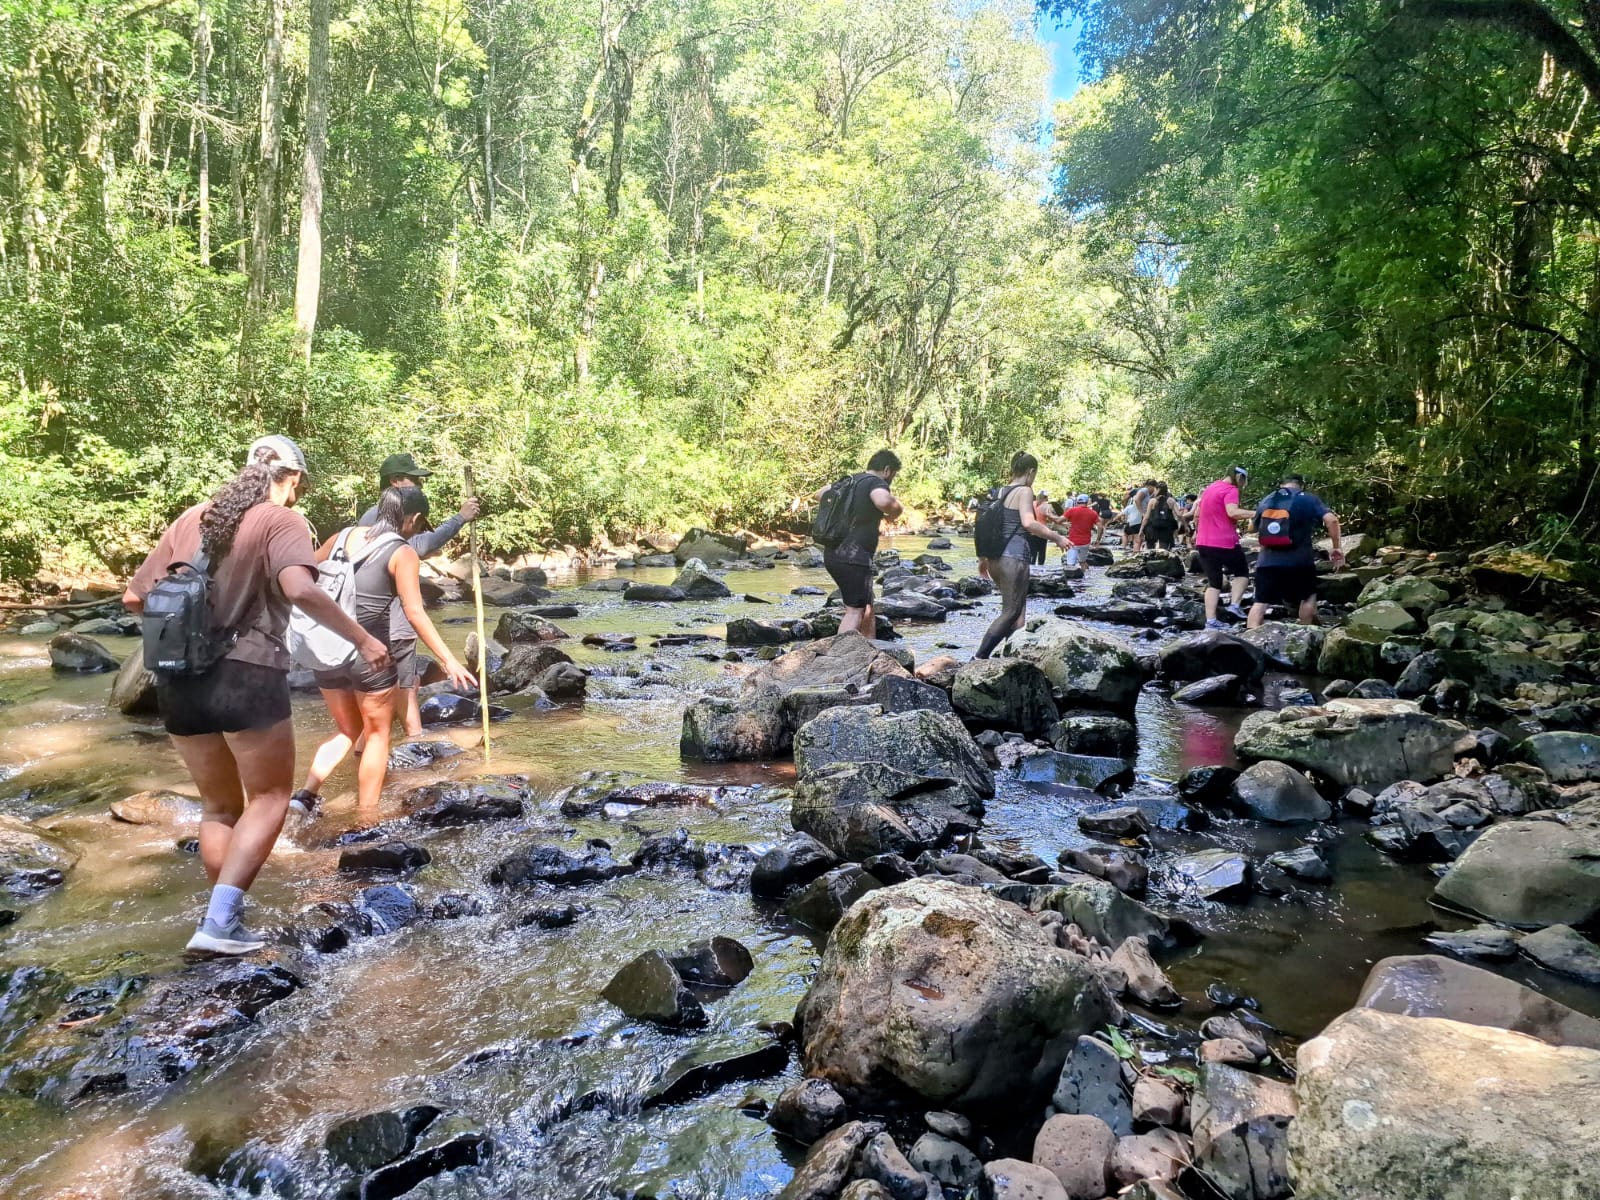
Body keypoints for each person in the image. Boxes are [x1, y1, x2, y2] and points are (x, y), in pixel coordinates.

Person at [124, 436, 390, 956]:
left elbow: (135, 597)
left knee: (219, 807)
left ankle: (222, 919)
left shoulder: (191, 518)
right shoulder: (280, 520)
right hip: (246, 673)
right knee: (269, 798)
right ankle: (219, 923)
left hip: (177, 680)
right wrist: (362, 639)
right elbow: (300, 588)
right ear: (294, 479)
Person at [292, 487, 478, 817]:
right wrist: (448, 660)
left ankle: (304, 796)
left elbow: (302, 577)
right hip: (370, 654)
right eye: (421, 526)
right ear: (414, 519)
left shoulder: (341, 537)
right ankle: (367, 817)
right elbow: (414, 612)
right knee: (377, 735)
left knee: (348, 730)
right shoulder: (401, 552)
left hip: (328, 649)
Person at [356, 453, 481, 739]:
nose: (419, 485)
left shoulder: (372, 516)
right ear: (395, 481)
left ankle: (401, 743)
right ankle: (415, 742)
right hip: (392, 622)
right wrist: (460, 518)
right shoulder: (381, 516)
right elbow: (421, 546)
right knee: (403, 688)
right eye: (414, 480)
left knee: (389, 696)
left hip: (373, 622)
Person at [975, 453, 1071, 659]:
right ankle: (978, 658)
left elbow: (987, 524)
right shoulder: (1025, 490)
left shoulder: (1000, 491)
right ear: (1031, 471)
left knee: (1018, 614)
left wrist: (982, 559)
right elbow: (1028, 523)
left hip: (995, 558)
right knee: (1011, 611)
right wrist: (1057, 537)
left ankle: (1012, 657)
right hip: (1014, 557)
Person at [812, 449, 904, 636]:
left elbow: (819, 494)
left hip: (833, 553)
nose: (891, 479)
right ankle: (842, 652)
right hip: (854, 557)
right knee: (854, 611)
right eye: (893, 475)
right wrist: (897, 510)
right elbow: (883, 501)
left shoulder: (848, 481)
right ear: (887, 470)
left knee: (866, 605)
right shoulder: (875, 482)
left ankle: (868, 645)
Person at [1247, 474, 1345, 628]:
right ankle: (1304, 635)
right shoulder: (1308, 499)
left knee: (1260, 603)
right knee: (1307, 598)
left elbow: (1252, 528)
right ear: (1301, 485)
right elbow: (1331, 520)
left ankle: (1250, 639)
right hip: (1300, 562)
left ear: (1282, 485)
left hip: (1267, 562)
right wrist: (1336, 547)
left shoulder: (1268, 499)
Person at [1194, 466, 1255, 629]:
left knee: (1214, 582)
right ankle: (1234, 606)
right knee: (1242, 573)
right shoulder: (1231, 490)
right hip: (1224, 542)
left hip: (1203, 542)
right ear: (1239, 477)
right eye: (1243, 480)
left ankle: (1211, 621)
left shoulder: (1210, 488)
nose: (1243, 484)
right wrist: (1256, 513)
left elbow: (1197, 514)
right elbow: (1232, 512)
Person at [1061, 494, 1102, 568]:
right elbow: (1100, 527)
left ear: (1077, 501)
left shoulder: (1071, 510)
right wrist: (1098, 539)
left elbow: (1058, 520)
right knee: (1082, 562)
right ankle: (1087, 574)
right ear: (1087, 502)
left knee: (1070, 565)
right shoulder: (1093, 513)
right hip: (1085, 542)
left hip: (1073, 542)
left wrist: (1063, 524)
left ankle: (1073, 575)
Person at [1141, 482, 1183, 550]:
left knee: (1150, 548)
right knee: (1163, 549)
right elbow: (1179, 515)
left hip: (1153, 527)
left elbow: (1146, 517)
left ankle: (1151, 555)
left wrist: (1141, 529)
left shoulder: (1152, 501)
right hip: (1166, 527)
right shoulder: (1171, 500)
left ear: (1157, 489)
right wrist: (1186, 526)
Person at [1029, 491, 1056, 566]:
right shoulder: (1047, 506)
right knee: (1042, 551)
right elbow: (1050, 518)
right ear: (1045, 497)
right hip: (1042, 531)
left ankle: (1031, 567)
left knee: (1032, 552)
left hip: (1032, 530)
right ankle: (1041, 568)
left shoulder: (1031, 504)